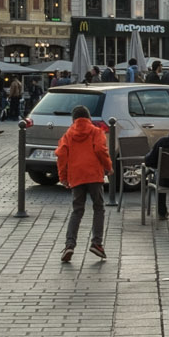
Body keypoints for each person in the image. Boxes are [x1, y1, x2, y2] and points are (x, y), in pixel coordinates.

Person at [55, 104, 113, 263]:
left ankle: (69, 245)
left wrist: (63, 177)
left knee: (77, 210)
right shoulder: (96, 132)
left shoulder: (68, 135)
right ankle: (97, 243)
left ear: (73, 119)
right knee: (99, 207)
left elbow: (61, 156)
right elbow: (101, 150)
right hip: (94, 174)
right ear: (89, 118)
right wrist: (108, 167)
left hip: (76, 175)